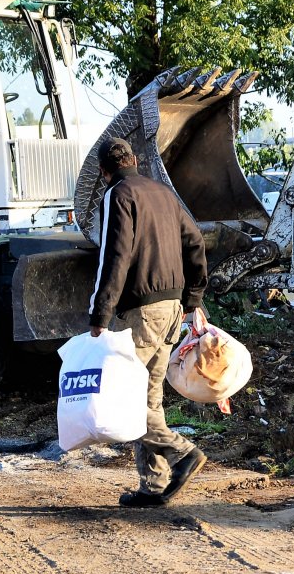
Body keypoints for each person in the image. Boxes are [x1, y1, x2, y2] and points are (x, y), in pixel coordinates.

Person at [87, 137, 209, 507]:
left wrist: (100, 313)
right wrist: (193, 299)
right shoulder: (162, 192)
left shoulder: (118, 194)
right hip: (172, 308)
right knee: (147, 397)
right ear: (134, 160)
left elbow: (115, 255)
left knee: (121, 395)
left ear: (104, 171)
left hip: (141, 310)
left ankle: (181, 452)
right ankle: (153, 486)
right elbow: (195, 242)